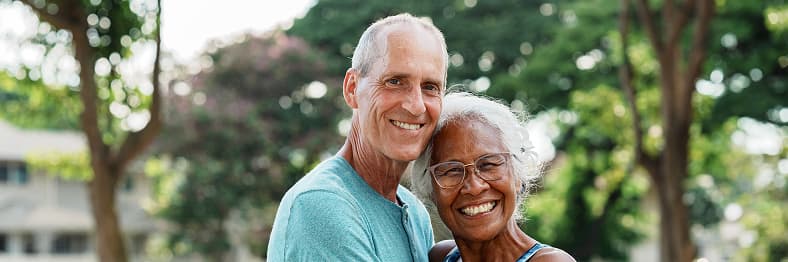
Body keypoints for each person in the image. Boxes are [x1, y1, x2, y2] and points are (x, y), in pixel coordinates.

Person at [267, 13, 449, 261]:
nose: (416, 106)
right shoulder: (322, 204)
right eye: (395, 81)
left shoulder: (413, 212)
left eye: (430, 87)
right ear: (352, 88)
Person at [411, 92, 576, 262]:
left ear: (517, 176)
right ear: (430, 189)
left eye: (488, 165)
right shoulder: (440, 256)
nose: (474, 187)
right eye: (452, 171)